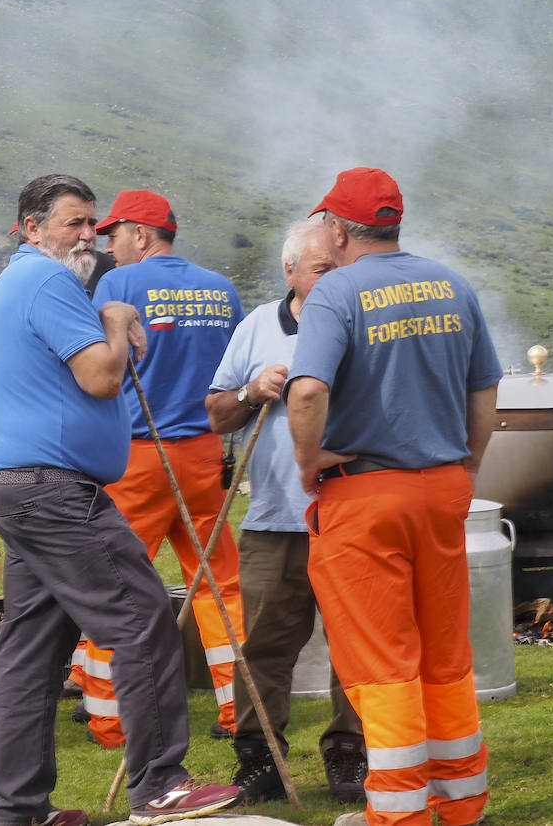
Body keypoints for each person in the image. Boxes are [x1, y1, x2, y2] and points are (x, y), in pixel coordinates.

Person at [0, 174, 243, 826]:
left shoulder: (28, 281)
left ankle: (19, 809)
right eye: (74, 222)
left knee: (31, 652)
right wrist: (119, 320)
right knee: (144, 616)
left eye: (92, 223)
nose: (87, 235)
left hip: (21, 485)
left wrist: (107, 314)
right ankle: (161, 786)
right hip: (55, 490)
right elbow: (101, 376)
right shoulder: (48, 279)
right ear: (32, 228)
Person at [285, 167, 500, 826]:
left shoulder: (336, 293)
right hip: (443, 490)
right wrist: (467, 467)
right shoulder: (453, 284)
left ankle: (399, 815)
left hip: (365, 497)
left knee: (382, 664)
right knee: (444, 655)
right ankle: (462, 807)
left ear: (339, 229)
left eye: (325, 221)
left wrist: (307, 461)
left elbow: (307, 391)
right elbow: (486, 395)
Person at [204, 214, 366, 804]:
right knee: (267, 645)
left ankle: (351, 754)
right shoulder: (255, 327)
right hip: (276, 520)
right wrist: (252, 391)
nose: (335, 277)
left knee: (356, 642)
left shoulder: (365, 318)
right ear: (290, 270)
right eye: (323, 268)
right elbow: (216, 413)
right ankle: (261, 760)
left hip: (352, 511)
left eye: (340, 265)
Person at [77, 189, 246, 748]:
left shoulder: (118, 286)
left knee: (115, 585)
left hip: (138, 458)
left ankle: (108, 718)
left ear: (141, 235)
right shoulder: (221, 288)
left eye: (114, 235)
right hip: (205, 455)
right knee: (220, 585)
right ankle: (238, 709)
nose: (108, 246)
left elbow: (98, 366)